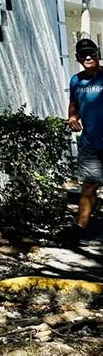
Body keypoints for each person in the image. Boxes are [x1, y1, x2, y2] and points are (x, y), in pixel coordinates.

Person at [64, 37, 103, 240]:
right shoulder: (76, 80)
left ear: (98, 54)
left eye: (92, 53)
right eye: (84, 55)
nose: (88, 57)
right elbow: (74, 103)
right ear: (78, 58)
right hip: (91, 143)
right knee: (89, 186)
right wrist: (72, 116)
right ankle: (81, 228)